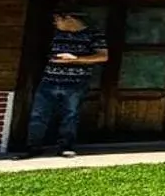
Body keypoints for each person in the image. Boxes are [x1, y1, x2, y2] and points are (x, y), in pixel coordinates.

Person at [23, 9, 108, 158]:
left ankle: (66, 146)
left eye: (57, 19)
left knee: (70, 115)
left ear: (68, 18)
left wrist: (75, 59)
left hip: (75, 83)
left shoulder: (94, 35)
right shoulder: (56, 34)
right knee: (38, 115)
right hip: (49, 81)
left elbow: (102, 57)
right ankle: (33, 147)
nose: (55, 23)